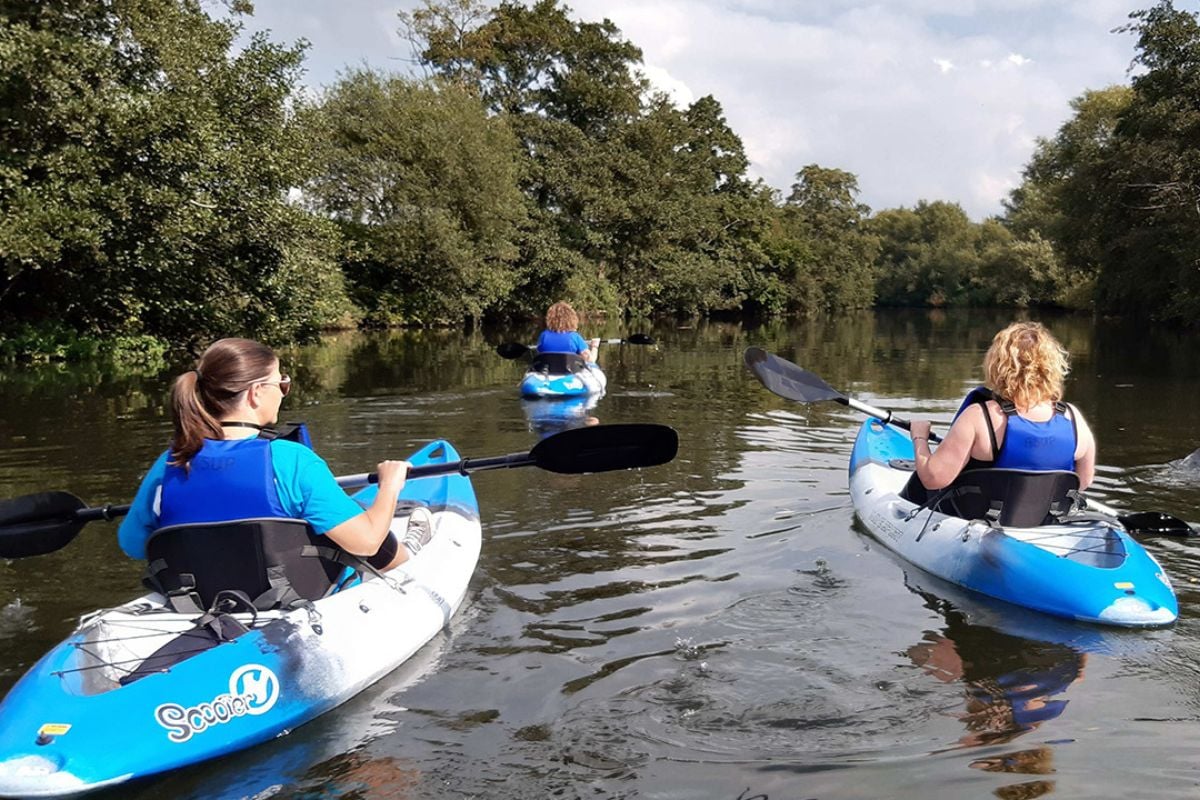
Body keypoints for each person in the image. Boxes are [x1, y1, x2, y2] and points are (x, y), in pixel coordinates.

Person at [118, 338, 433, 587]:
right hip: (288, 593)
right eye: (281, 384)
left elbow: (132, 544)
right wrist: (391, 485)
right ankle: (408, 553)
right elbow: (365, 543)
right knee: (359, 526)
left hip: (198, 594)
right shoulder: (291, 459)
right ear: (256, 393)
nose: (284, 393)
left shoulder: (171, 461)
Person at [909, 321, 1096, 492]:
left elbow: (932, 479)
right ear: (1052, 367)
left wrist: (920, 437)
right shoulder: (1072, 417)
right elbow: (1083, 482)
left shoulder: (979, 417)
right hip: (1046, 521)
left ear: (996, 364)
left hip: (982, 520)